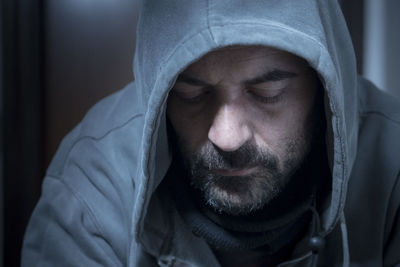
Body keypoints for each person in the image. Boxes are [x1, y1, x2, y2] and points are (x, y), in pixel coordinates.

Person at [22, 0, 400, 266]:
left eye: (267, 93)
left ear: (322, 87)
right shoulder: (92, 187)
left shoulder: (393, 162)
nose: (227, 136)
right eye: (192, 95)